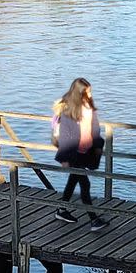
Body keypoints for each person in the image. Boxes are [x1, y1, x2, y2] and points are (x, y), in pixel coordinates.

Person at [53, 78, 109, 231]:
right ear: (79, 93)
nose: (90, 95)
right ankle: (94, 220)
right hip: (74, 153)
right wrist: (64, 157)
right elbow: (65, 136)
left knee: (73, 181)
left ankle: (61, 210)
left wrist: (97, 146)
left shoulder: (89, 107)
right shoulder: (69, 111)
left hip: (86, 151)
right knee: (85, 184)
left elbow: (94, 128)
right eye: (87, 92)